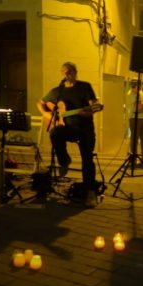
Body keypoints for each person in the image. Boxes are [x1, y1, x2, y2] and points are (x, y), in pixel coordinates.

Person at [37, 62, 100, 207]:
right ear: (62, 74)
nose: (67, 74)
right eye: (64, 72)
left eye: (70, 71)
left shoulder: (85, 86)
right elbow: (40, 102)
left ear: (75, 72)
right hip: (67, 127)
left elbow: (94, 105)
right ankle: (64, 160)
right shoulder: (58, 91)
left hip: (84, 129)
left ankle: (90, 192)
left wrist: (90, 111)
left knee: (87, 160)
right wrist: (45, 113)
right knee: (54, 132)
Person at [126, 79, 143, 163]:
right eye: (135, 85)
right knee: (135, 139)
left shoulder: (140, 92)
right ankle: (133, 158)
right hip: (135, 118)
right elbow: (139, 106)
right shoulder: (131, 94)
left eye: (138, 84)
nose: (138, 86)